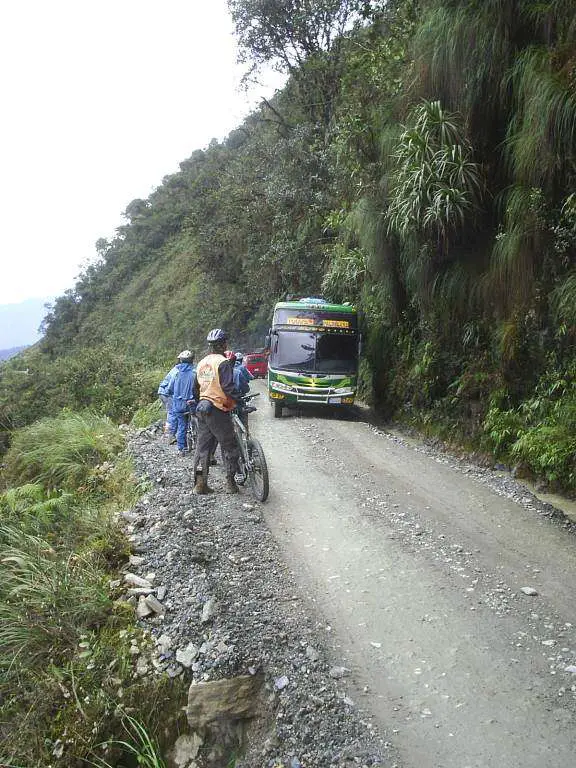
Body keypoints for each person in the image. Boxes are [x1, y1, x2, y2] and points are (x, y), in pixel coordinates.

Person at [192, 329, 240, 495]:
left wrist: (200, 403)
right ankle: (230, 482)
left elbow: (195, 389)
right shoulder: (223, 362)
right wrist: (238, 401)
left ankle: (200, 484)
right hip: (218, 409)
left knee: (202, 449)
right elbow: (228, 387)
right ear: (223, 344)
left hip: (202, 409)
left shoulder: (201, 363)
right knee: (230, 446)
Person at [165, 350, 196, 456]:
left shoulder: (176, 374)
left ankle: (181, 449)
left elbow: (169, 389)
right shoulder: (194, 374)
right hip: (191, 404)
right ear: (192, 360)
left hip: (178, 405)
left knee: (182, 426)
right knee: (198, 422)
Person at [233, 352, 254, 428]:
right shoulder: (241, 368)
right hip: (239, 396)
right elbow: (250, 377)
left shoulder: (221, 371)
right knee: (243, 413)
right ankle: (246, 434)